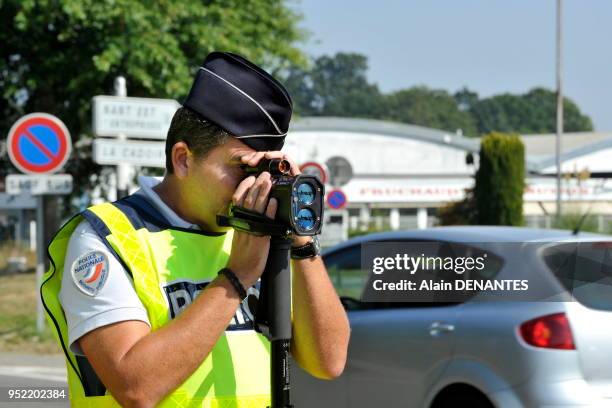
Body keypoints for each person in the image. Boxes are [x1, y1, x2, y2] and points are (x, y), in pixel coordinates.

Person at [41, 51, 350, 407]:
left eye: (264, 170)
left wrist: (302, 241)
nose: (253, 187)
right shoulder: (107, 237)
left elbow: (329, 362)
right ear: (183, 159)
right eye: (240, 168)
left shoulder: (255, 235)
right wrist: (236, 278)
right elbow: (135, 388)